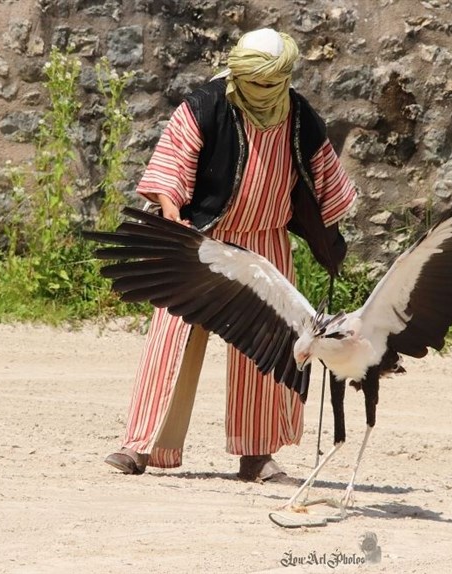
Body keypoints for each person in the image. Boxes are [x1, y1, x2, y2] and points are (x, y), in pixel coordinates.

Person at [103, 28, 357, 483]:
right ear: (238, 73)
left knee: (268, 346)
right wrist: (171, 213)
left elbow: (325, 181)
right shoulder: (206, 105)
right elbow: (174, 161)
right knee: (171, 339)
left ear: (284, 78)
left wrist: (329, 238)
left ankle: (257, 455)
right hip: (203, 238)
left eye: (270, 82)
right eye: (253, 81)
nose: (262, 89)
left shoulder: (301, 117)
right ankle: (141, 445)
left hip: (266, 242)